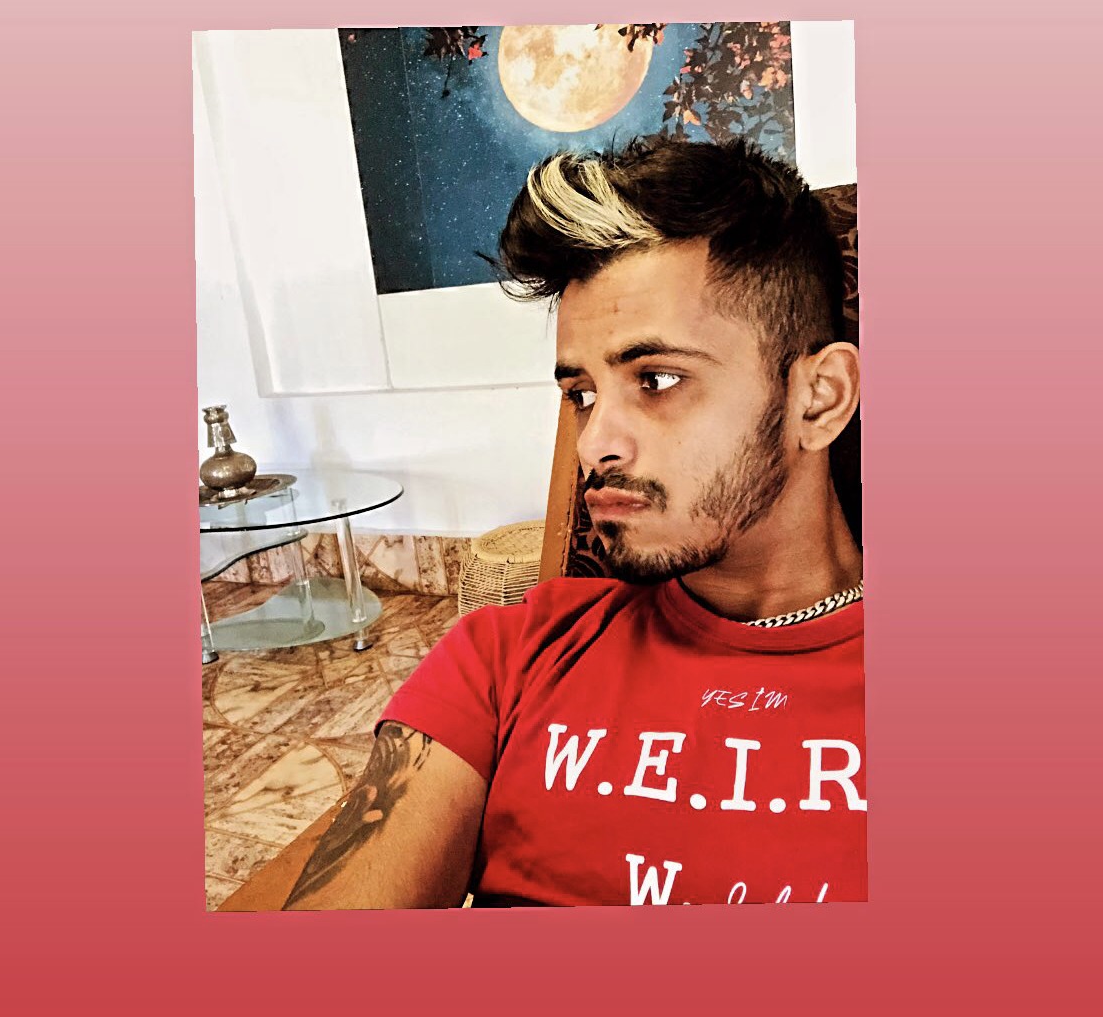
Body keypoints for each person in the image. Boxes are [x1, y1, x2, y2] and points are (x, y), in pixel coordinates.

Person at [284, 135, 866, 909]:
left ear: (818, 398)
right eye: (582, 394)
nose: (593, 445)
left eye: (657, 379)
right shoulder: (509, 655)